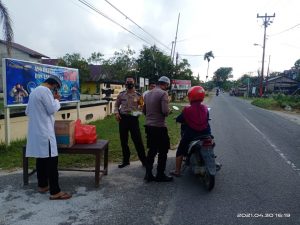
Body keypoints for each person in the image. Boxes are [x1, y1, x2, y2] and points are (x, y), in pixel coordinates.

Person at [25, 75, 72, 200]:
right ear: (54, 85)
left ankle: (42, 185)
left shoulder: (34, 91)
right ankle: (55, 191)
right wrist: (56, 100)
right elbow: (51, 109)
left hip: (36, 132)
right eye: (56, 88)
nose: (55, 91)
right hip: (45, 132)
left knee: (41, 158)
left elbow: (27, 111)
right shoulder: (45, 91)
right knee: (52, 161)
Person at [170, 86, 211, 177]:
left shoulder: (187, 109)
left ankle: (177, 171)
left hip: (192, 135)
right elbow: (207, 118)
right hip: (206, 134)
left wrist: (177, 119)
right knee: (210, 143)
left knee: (180, 149)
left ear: (190, 96)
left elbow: (181, 119)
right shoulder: (205, 108)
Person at [143, 76, 173, 182]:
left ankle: (148, 174)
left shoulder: (147, 94)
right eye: (167, 86)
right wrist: (169, 111)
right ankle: (160, 174)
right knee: (163, 151)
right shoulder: (163, 93)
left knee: (152, 151)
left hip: (149, 127)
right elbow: (165, 111)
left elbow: (144, 111)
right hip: (159, 127)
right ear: (165, 84)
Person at [114, 76, 147, 168]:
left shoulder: (139, 95)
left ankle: (144, 161)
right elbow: (116, 105)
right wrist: (116, 113)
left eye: (131, 82)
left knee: (138, 141)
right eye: (128, 82)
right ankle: (126, 161)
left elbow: (141, 108)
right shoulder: (121, 95)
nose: (129, 83)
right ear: (125, 84)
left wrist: (134, 114)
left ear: (134, 83)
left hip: (133, 120)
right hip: (123, 119)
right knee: (123, 141)